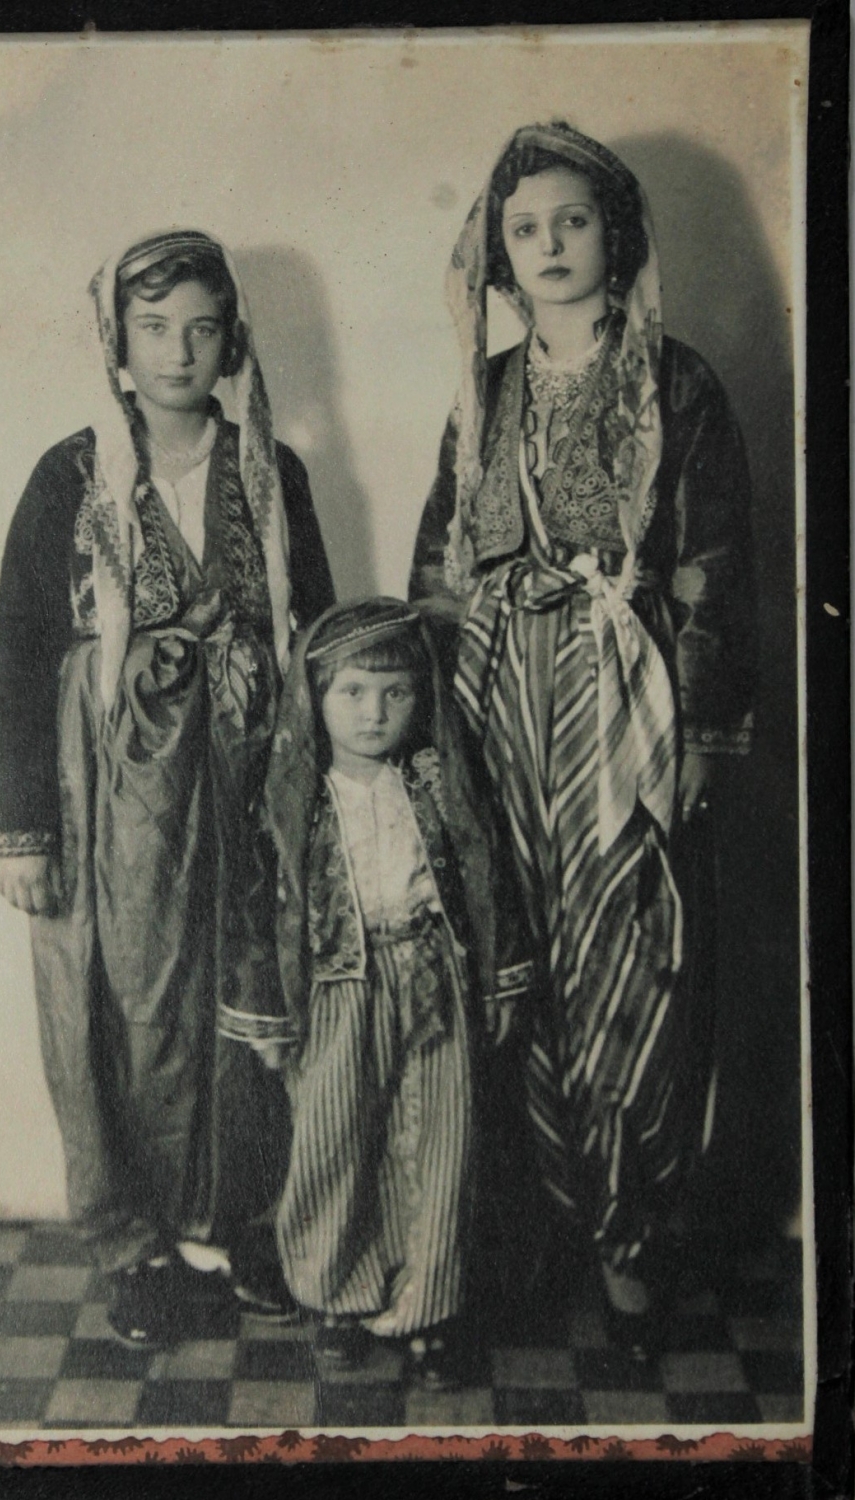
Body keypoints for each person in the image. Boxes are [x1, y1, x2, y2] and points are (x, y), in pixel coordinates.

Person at [409, 122, 756, 1352]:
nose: (550, 245)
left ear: (618, 233)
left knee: (629, 956)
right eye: (525, 228)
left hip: (625, 697)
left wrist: (704, 734)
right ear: (497, 253)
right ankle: (533, 1232)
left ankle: (628, 1241)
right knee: (511, 952)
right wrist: (427, 736)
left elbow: (715, 569)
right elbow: (442, 566)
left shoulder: (678, 384)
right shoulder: (485, 390)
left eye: (573, 221)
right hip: (501, 696)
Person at [0, 228, 334, 1348]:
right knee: (118, 998)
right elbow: (18, 650)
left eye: (201, 327)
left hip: (243, 774)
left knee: (250, 985)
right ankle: (133, 1243)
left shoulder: (270, 470)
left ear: (233, 340)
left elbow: (318, 630)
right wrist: (23, 828)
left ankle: (240, 1226)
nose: (178, 351)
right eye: (153, 328)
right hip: (107, 789)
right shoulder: (69, 475)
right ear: (117, 345)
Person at [222, 598, 535, 1388]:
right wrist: (267, 1016)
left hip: (434, 981)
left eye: (395, 693)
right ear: (315, 697)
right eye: (353, 692)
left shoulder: (436, 782)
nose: (374, 713)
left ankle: (429, 1310)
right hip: (336, 992)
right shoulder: (293, 798)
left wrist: (500, 980)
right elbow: (257, 909)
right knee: (334, 1143)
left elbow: (486, 875)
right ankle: (338, 1297)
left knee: (439, 1143)